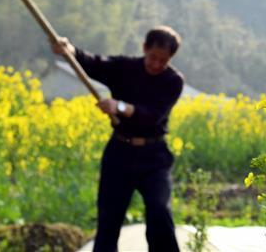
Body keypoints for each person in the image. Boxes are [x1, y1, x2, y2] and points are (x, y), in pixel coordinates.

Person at [51, 27, 185, 252]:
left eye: (163, 60)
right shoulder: (124, 68)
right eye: (152, 57)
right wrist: (69, 50)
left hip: (154, 157)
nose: (156, 64)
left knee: (159, 210)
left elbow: (153, 116)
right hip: (120, 153)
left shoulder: (173, 81)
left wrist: (120, 107)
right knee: (109, 218)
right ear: (144, 48)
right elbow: (93, 63)